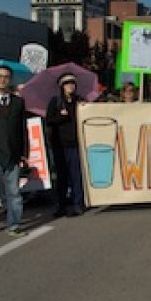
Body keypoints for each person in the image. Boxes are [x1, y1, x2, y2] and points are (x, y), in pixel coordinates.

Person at [0, 65, 28, 237]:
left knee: (14, 193)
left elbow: (22, 129)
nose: (3, 80)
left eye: (6, 77)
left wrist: (24, 153)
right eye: (0, 76)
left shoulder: (18, 102)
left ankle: (14, 225)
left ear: (10, 80)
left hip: (13, 155)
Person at [46, 73, 85, 217]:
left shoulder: (79, 101)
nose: (71, 86)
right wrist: (61, 117)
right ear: (62, 86)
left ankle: (78, 204)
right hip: (60, 145)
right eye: (67, 84)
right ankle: (60, 206)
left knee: (76, 175)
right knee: (61, 176)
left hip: (76, 143)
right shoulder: (55, 101)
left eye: (73, 83)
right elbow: (49, 120)